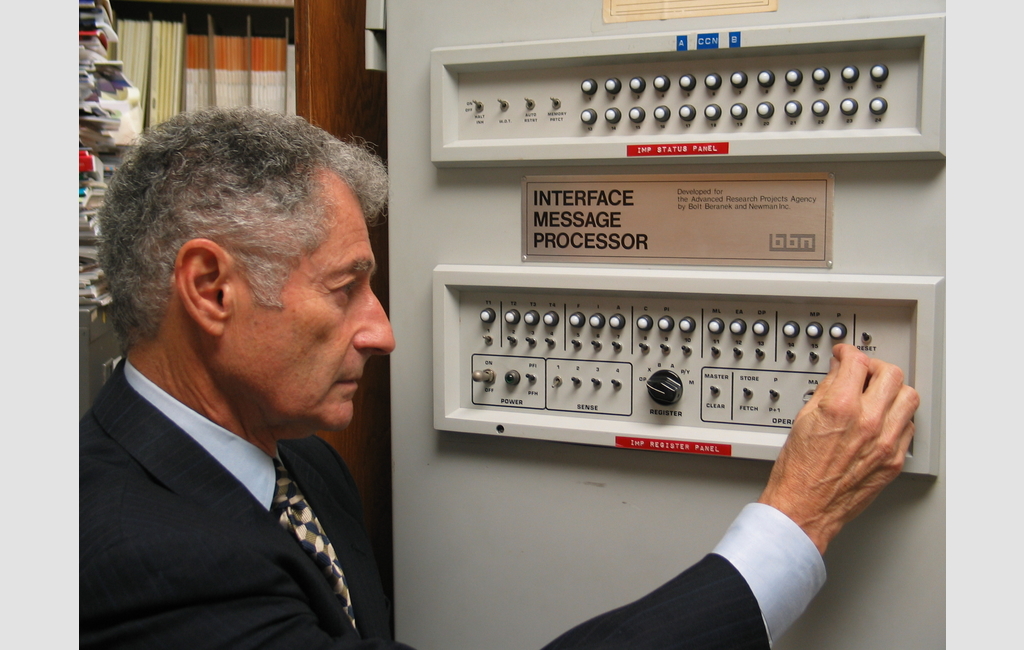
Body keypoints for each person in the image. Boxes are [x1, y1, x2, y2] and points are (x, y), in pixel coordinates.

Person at [80, 107, 920, 650]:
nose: (382, 330)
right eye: (345, 289)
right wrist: (796, 520)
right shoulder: (134, 558)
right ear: (210, 288)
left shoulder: (303, 466)